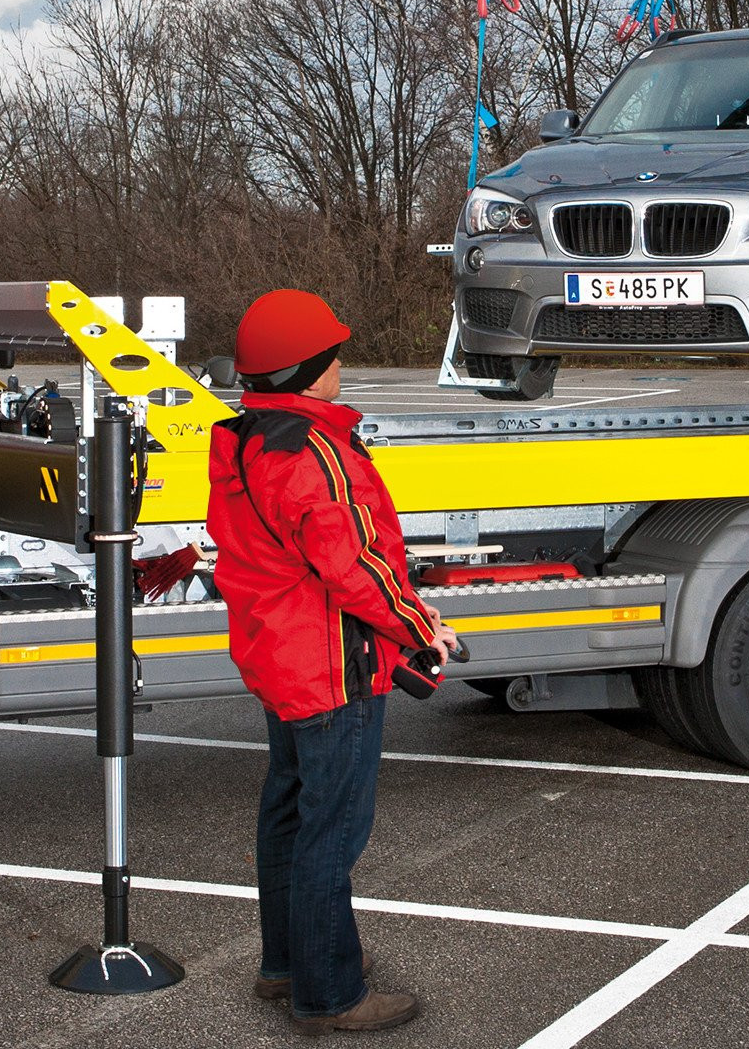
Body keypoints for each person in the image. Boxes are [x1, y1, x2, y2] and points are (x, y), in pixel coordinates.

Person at [208, 289, 464, 1034]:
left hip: (281, 656)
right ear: (306, 371)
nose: (342, 363)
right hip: (331, 666)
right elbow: (353, 563)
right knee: (334, 831)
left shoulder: (249, 440)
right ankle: (331, 996)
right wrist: (420, 625)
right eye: (332, 354)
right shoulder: (316, 454)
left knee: (288, 811)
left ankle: (287, 964)